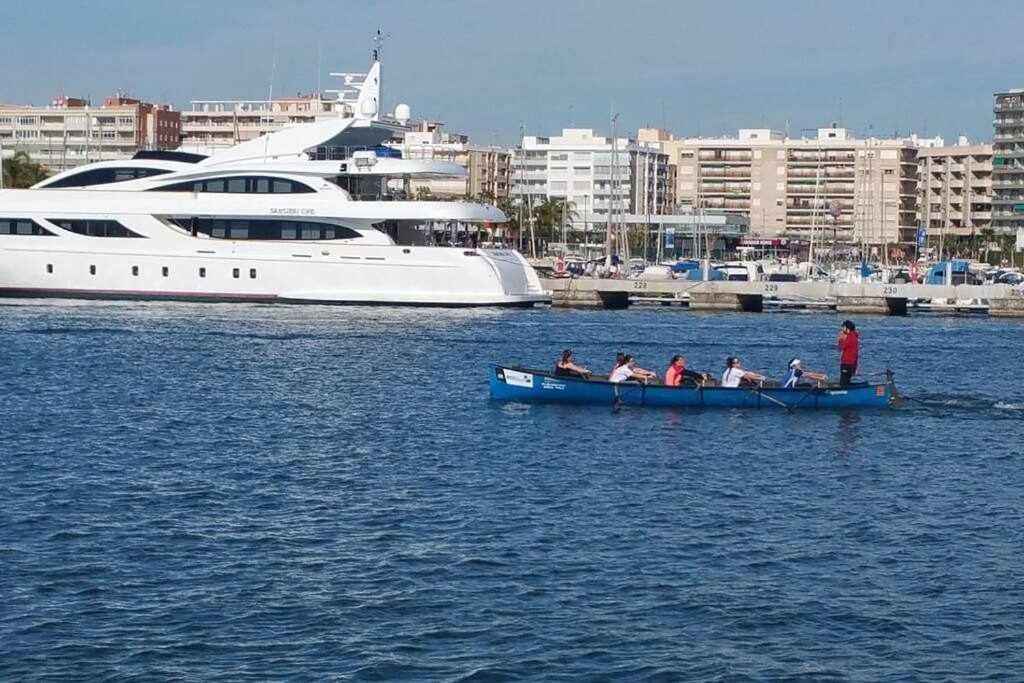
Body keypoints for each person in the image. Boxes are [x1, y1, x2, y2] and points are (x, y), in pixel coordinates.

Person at [836, 320, 860, 386]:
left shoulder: (850, 337)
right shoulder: (855, 337)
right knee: (847, 381)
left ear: (847, 328)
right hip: (852, 363)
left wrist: (840, 339)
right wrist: (855, 366)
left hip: (846, 363)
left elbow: (841, 347)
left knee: (843, 382)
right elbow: (856, 353)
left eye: (843, 327)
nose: (842, 329)